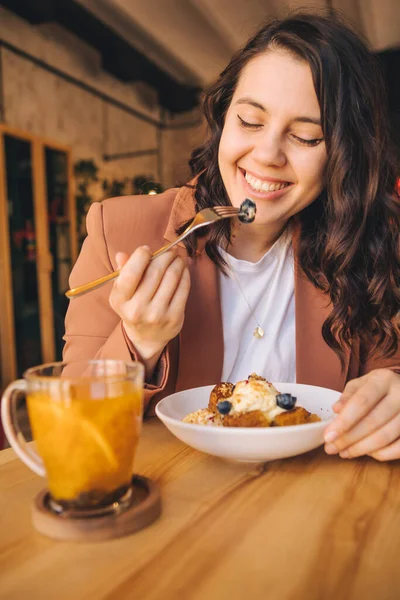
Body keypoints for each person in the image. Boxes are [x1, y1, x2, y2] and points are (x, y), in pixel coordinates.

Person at [64, 12, 400, 461]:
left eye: (305, 137)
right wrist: (138, 341)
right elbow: (72, 425)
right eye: (251, 121)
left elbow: (387, 373)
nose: (266, 155)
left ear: (343, 155)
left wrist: (392, 394)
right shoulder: (120, 230)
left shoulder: (367, 244)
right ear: (224, 117)